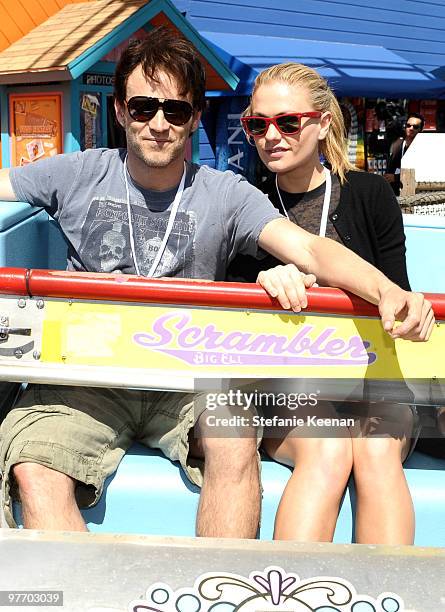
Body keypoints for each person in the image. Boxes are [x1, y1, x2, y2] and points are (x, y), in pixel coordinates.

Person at [0, 32, 434, 537]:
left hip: (191, 378)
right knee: (34, 467)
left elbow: (311, 248)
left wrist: (387, 291)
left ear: (193, 119)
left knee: (233, 437)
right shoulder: (75, 174)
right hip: (89, 378)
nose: (158, 124)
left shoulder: (227, 193)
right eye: (143, 108)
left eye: (175, 111)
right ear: (119, 112)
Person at [227, 62, 431, 545]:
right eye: (257, 124)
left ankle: (388, 592)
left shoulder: (370, 194)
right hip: (287, 388)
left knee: (376, 449)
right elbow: (231, 314)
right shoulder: (244, 203)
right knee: (330, 447)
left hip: (374, 380)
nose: (270, 136)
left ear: (321, 123)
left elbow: (394, 290)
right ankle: (289, 590)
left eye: (287, 122)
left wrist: (405, 304)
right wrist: (263, 276)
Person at [384, 112, 424, 196]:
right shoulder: (398, 144)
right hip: (394, 192)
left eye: (415, 127)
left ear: (420, 129)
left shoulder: (421, 147)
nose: (411, 128)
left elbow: (420, 172)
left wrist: (396, 177)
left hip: (412, 192)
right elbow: (391, 166)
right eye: (408, 125)